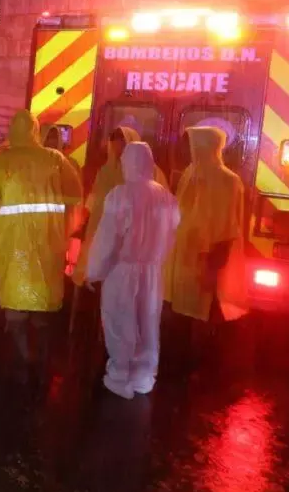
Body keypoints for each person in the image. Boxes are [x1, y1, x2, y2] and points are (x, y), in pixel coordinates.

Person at [0, 110, 83, 383]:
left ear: (14, 131)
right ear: (36, 131)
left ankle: (25, 356)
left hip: (14, 242)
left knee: (15, 300)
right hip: (49, 242)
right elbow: (75, 193)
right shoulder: (55, 159)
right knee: (43, 302)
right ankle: (43, 355)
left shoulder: (4, 160)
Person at [85, 142, 180, 399]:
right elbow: (172, 237)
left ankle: (119, 376)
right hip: (152, 272)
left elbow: (107, 239)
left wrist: (94, 271)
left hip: (122, 270)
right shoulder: (166, 198)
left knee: (120, 320)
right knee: (148, 321)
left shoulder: (120, 195)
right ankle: (143, 376)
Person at [163, 126, 248, 326]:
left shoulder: (227, 180)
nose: (186, 149)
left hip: (205, 262)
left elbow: (228, 229)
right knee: (179, 317)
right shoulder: (190, 173)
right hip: (182, 259)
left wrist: (211, 271)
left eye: (190, 144)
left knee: (202, 317)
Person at [74, 127, 168, 286]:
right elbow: (94, 199)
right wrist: (83, 224)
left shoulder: (149, 171)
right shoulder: (105, 170)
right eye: (115, 144)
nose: (118, 149)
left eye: (122, 145)